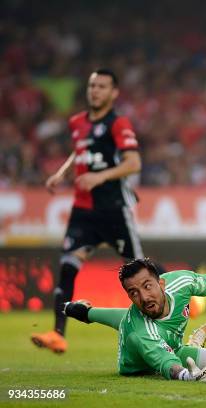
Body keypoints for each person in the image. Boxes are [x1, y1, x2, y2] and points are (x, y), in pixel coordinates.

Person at [32, 69, 143, 353]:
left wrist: (100, 176)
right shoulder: (77, 122)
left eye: (102, 86)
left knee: (141, 270)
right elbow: (78, 152)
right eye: (92, 86)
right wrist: (61, 173)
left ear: (114, 93)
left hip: (114, 209)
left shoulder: (118, 123)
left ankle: (178, 296)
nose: (95, 91)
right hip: (83, 210)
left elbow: (133, 163)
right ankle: (58, 334)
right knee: (68, 267)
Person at [63, 258, 206, 381]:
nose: (144, 297)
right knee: (127, 321)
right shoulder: (141, 331)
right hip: (141, 364)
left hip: (170, 345)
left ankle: (77, 310)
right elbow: (167, 364)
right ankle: (76, 310)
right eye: (133, 292)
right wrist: (189, 375)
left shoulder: (180, 282)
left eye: (147, 286)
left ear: (162, 284)